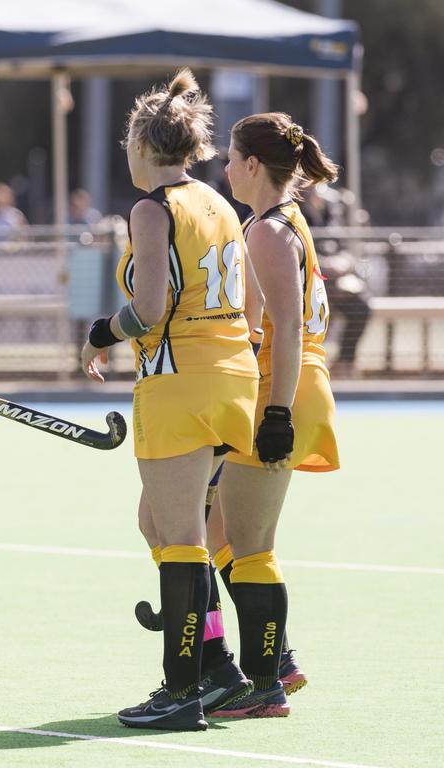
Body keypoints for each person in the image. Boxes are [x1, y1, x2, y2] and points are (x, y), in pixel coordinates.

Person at [80, 69, 260, 731]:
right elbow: (251, 299)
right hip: (230, 375)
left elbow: (150, 309)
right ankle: (216, 666)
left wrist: (102, 332)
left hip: (179, 378)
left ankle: (181, 687)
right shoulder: (217, 203)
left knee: (179, 537)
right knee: (156, 524)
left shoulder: (153, 208)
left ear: (139, 143)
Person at [212, 112, 340, 717]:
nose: (225, 166)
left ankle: (265, 683)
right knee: (218, 533)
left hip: (280, 390)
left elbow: (286, 326)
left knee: (252, 543)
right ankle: (276, 660)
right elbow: (260, 320)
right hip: (279, 384)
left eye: (232, 157)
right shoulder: (277, 222)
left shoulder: (266, 229)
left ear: (254, 165)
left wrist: (278, 412)